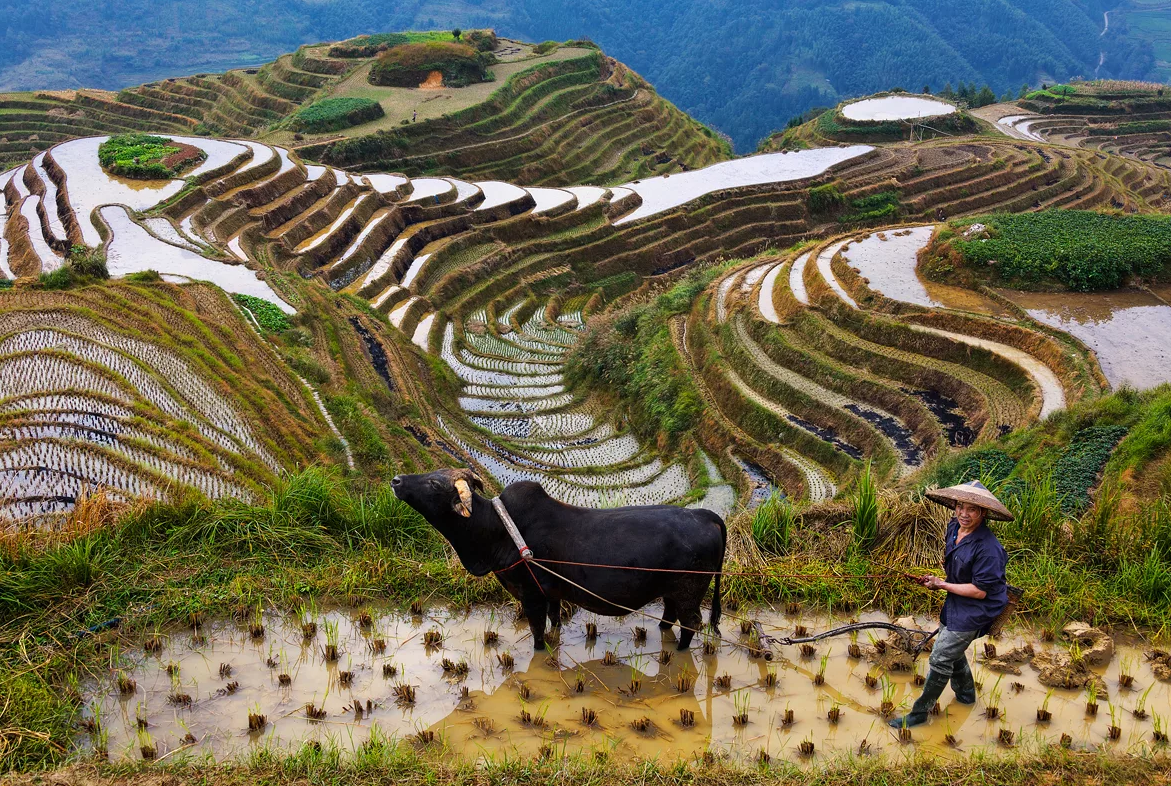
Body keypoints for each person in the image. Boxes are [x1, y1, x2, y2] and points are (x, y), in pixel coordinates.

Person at [889, 480, 1010, 729]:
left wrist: (942, 585)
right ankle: (966, 695)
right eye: (960, 506)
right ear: (955, 506)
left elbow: (979, 592)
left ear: (983, 513)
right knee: (951, 652)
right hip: (956, 600)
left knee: (940, 658)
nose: (964, 514)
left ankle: (919, 713)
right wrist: (939, 580)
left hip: (978, 608)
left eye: (972, 509)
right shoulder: (954, 527)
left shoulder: (989, 549)